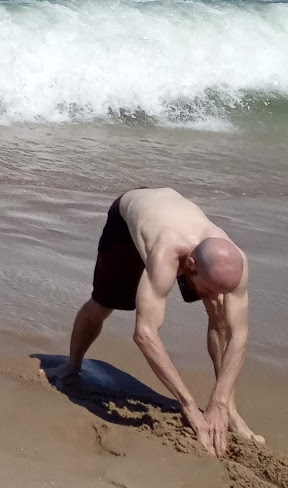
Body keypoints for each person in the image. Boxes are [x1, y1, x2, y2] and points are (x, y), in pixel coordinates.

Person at [58, 187, 259, 456]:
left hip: (177, 223)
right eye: (209, 288)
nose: (214, 296)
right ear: (189, 266)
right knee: (103, 304)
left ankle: (229, 410)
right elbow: (144, 333)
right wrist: (189, 406)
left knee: (220, 312)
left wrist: (220, 403)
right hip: (127, 218)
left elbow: (239, 336)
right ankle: (72, 367)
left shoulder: (235, 261)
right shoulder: (166, 252)